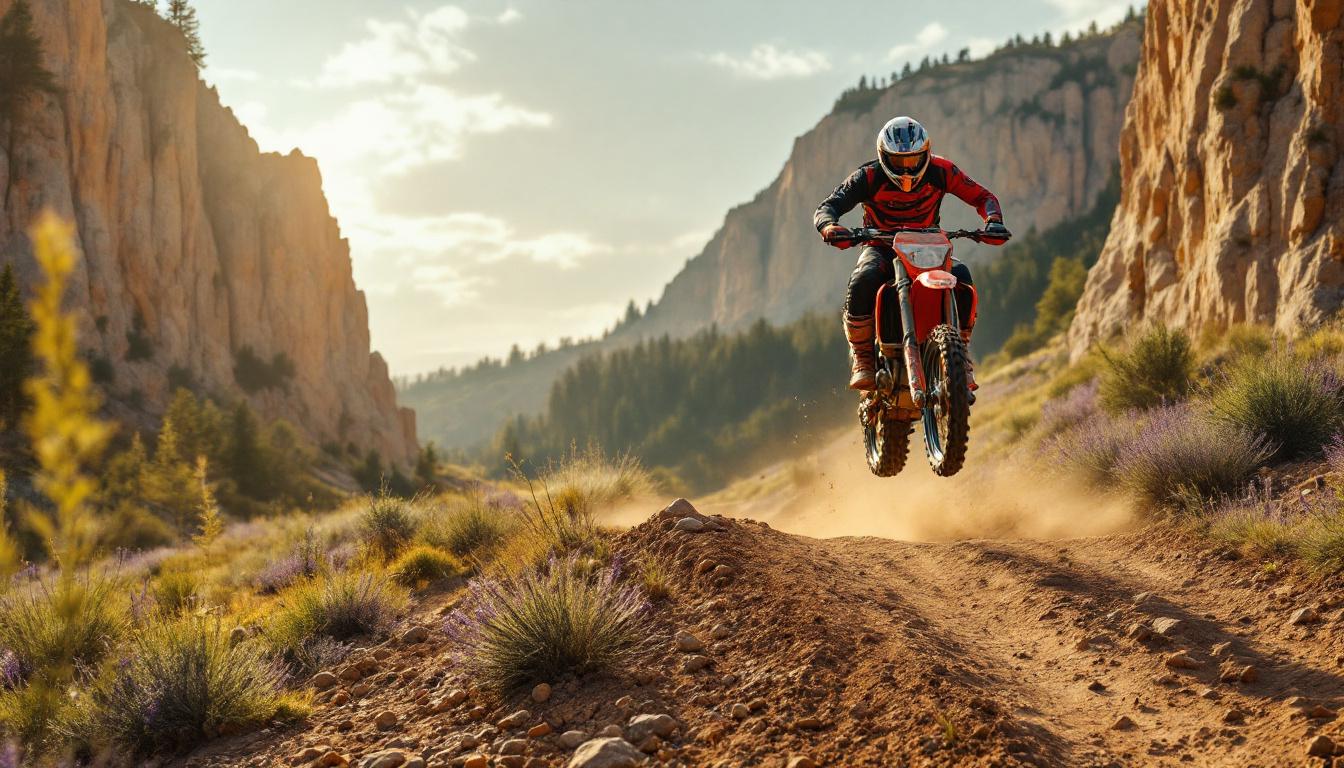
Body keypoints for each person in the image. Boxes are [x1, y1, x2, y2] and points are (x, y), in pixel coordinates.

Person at [814, 116, 1011, 391]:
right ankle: (863, 359)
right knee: (863, 279)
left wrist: (993, 220)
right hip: (880, 246)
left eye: (913, 160)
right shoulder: (867, 177)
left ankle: (960, 352)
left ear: (926, 154)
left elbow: (983, 197)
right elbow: (828, 206)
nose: (906, 170)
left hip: (929, 245)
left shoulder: (942, 170)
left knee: (962, 276)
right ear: (883, 157)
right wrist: (830, 226)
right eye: (898, 162)